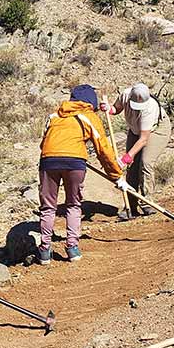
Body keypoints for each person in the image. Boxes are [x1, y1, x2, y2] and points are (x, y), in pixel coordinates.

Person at [37, 84, 124, 265]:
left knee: (48, 207)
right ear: (91, 102)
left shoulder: (54, 116)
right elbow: (103, 149)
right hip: (74, 162)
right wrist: (117, 175)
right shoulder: (89, 116)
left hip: (48, 160)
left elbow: (43, 143)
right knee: (73, 204)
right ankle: (72, 249)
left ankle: (44, 251)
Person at [100, 83, 173, 220]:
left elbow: (144, 139)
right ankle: (130, 206)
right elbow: (116, 108)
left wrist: (126, 158)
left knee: (146, 162)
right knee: (132, 167)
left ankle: (147, 202)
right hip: (135, 130)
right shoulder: (126, 95)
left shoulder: (150, 108)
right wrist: (109, 109)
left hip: (156, 130)